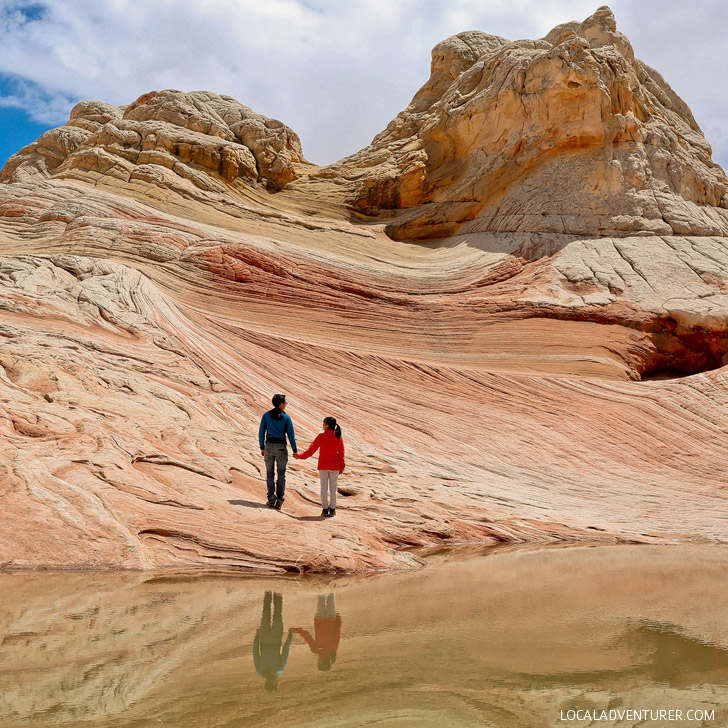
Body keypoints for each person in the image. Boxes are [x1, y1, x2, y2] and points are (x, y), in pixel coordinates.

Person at [295, 417, 345, 517]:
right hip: (334, 466)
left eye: (323, 423)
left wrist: (300, 456)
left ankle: (325, 509)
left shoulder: (321, 436)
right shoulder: (338, 437)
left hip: (323, 465)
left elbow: (311, 450)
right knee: (333, 488)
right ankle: (332, 509)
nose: (322, 425)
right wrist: (342, 467)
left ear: (327, 425)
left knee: (324, 488)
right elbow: (342, 454)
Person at [258, 393, 297, 510]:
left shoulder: (266, 415)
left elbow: (261, 432)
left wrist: (262, 447)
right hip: (281, 447)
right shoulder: (286, 418)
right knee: (281, 474)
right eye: (285, 403)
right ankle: (279, 500)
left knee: (270, 474)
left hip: (269, 446)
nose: (286, 405)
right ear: (281, 404)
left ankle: (271, 497)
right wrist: (294, 450)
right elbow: (291, 435)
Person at [253, 591, 293, 692]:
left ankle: (273, 592)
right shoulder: (263, 671)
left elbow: (285, 652)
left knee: (271, 613)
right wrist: (257, 637)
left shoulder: (276, 670)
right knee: (271, 613)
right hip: (269, 638)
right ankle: (273, 592)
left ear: (272, 683)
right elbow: (255, 653)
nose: (276, 682)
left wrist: (290, 637)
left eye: (275, 684)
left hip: (271, 638)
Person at [291, 593, 342, 671]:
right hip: (321, 619)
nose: (317, 661)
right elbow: (307, 636)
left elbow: (337, 633)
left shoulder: (332, 651)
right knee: (321, 597)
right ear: (321, 662)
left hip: (330, 619)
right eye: (318, 663)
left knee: (330, 597)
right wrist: (296, 630)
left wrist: (338, 620)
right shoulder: (316, 650)